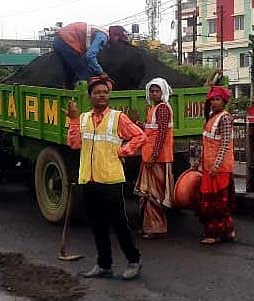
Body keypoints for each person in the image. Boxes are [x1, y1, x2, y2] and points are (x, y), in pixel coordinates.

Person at [66, 77, 146, 280]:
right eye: (97, 92)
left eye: (105, 92)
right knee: (97, 224)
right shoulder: (83, 118)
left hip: (111, 179)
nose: (102, 95)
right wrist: (73, 120)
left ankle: (133, 260)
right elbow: (74, 144)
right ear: (90, 97)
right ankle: (104, 265)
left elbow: (140, 136)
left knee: (119, 223)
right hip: (89, 179)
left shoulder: (117, 118)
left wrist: (124, 151)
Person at [120, 78, 174, 238]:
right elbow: (151, 130)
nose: (154, 93)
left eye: (157, 91)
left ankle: (156, 228)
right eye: (152, 91)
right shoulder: (153, 108)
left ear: (163, 92)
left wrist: (154, 156)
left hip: (158, 159)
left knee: (153, 195)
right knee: (146, 194)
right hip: (149, 155)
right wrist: (139, 125)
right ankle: (148, 227)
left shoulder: (163, 108)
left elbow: (162, 134)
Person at [198, 86, 236, 244]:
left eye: (217, 99)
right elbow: (207, 143)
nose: (214, 102)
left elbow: (225, 144)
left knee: (217, 202)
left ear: (224, 101)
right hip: (209, 167)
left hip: (219, 169)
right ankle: (226, 232)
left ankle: (215, 234)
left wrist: (216, 165)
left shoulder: (224, 118)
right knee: (216, 201)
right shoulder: (212, 117)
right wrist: (200, 161)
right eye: (212, 99)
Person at [53, 23, 129, 89]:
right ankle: (86, 98)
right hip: (67, 40)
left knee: (70, 72)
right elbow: (90, 56)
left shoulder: (101, 33)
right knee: (86, 74)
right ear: (116, 36)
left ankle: (69, 91)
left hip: (59, 39)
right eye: (119, 41)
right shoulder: (103, 37)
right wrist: (101, 72)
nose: (119, 44)